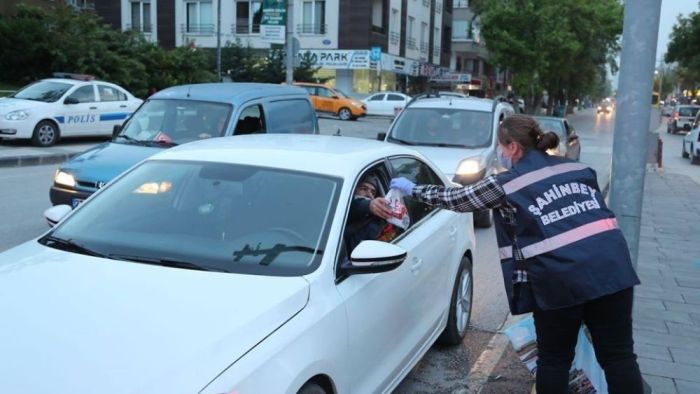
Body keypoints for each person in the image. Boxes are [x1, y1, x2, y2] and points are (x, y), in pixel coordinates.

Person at [390, 114, 643, 394]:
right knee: (619, 356)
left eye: (500, 146)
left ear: (512, 147)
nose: (498, 153)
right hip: (613, 272)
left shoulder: (506, 184)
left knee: (555, 360)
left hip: (562, 281)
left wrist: (414, 189)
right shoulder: (578, 169)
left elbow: (458, 199)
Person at [344, 175, 396, 253]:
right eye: (364, 189)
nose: (369, 194)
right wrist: (368, 205)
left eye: (373, 192)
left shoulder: (377, 222)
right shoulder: (341, 209)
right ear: (353, 190)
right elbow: (355, 206)